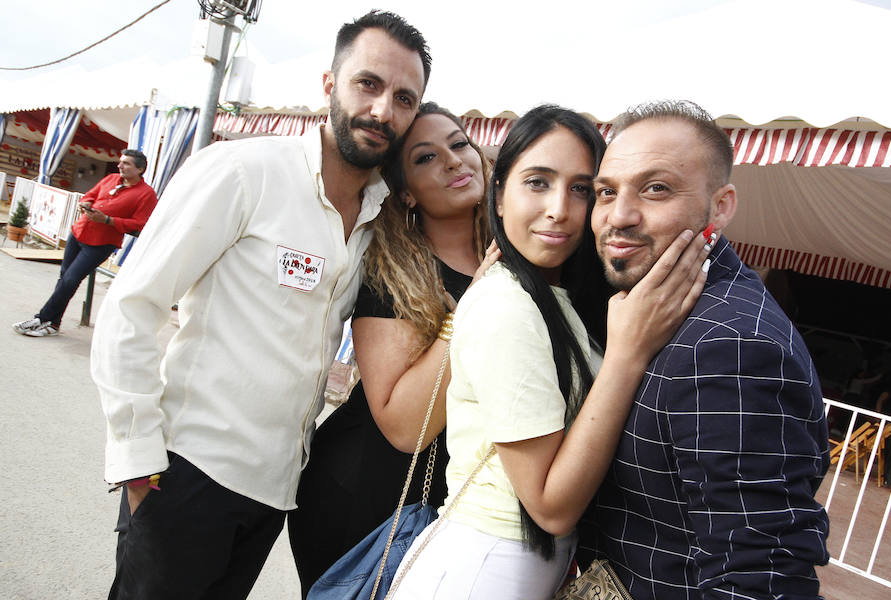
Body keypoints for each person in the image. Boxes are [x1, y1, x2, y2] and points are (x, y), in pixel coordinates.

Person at [90, 10, 430, 599]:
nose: (383, 110)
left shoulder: (381, 220)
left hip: (274, 492)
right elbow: (134, 306)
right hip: (187, 474)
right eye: (368, 84)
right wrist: (136, 454)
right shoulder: (245, 172)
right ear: (330, 85)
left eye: (404, 98)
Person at [391, 104, 713, 599]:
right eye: (537, 182)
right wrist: (627, 356)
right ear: (499, 196)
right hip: (482, 570)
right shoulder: (506, 306)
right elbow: (549, 505)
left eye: (582, 189)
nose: (560, 208)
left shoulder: (555, 299)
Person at [577, 100, 831, 599]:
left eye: (656, 188)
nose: (620, 216)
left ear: (722, 205)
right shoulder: (654, 308)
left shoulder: (729, 345)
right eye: (606, 192)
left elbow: (759, 578)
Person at [289, 101, 497, 593]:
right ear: (404, 193)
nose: (453, 161)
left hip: (469, 504)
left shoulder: (519, 254)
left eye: (459, 143)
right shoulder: (393, 274)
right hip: (368, 500)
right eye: (426, 157)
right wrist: (474, 305)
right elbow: (406, 426)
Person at [11, 150, 157, 337]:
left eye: (126, 163)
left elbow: (141, 224)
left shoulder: (146, 194)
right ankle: (52, 324)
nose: (120, 166)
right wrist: (85, 203)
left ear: (140, 169)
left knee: (71, 279)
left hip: (101, 243)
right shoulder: (110, 178)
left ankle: (41, 318)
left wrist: (107, 220)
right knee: (64, 279)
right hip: (78, 232)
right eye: (120, 162)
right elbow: (89, 195)